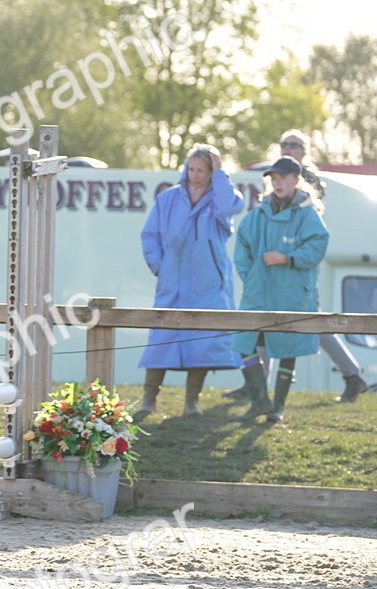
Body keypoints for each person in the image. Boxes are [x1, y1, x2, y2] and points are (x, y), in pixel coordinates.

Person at [136, 144, 244, 419]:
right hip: (172, 281)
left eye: (203, 170)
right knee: (161, 337)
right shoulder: (168, 199)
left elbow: (229, 207)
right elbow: (149, 235)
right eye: (192, 169)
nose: (195, 175)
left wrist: (220, 173)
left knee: (203, 340)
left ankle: (191, 401)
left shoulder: (222, 196)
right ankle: (149, 398)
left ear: (212, 173)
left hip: (208, 283)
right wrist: (159, 265)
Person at [231, 156, 330, 422]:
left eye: (283, 178)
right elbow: (242, 248)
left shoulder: (308, 214)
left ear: (296, 180)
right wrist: (251, 276)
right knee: (243, 341)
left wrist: (287, 258)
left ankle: (279, 408)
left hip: (293, 294)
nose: (278, 183)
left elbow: (318, 246)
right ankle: (261, 401)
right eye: (273, 179)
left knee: (288, 349)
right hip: (258, 293)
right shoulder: (258, 214)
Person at [275, 129, 368, 403]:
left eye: (294, 145)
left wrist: (292, 255)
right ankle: (254, 385)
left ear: (304, 150)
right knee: (266, 316)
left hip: (299, 262)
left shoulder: (309, 179)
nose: (288, 148)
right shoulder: (278, 175)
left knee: (311, 320)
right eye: (284, 144)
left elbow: (306, 224)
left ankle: (352, 375)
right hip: (278, 263)